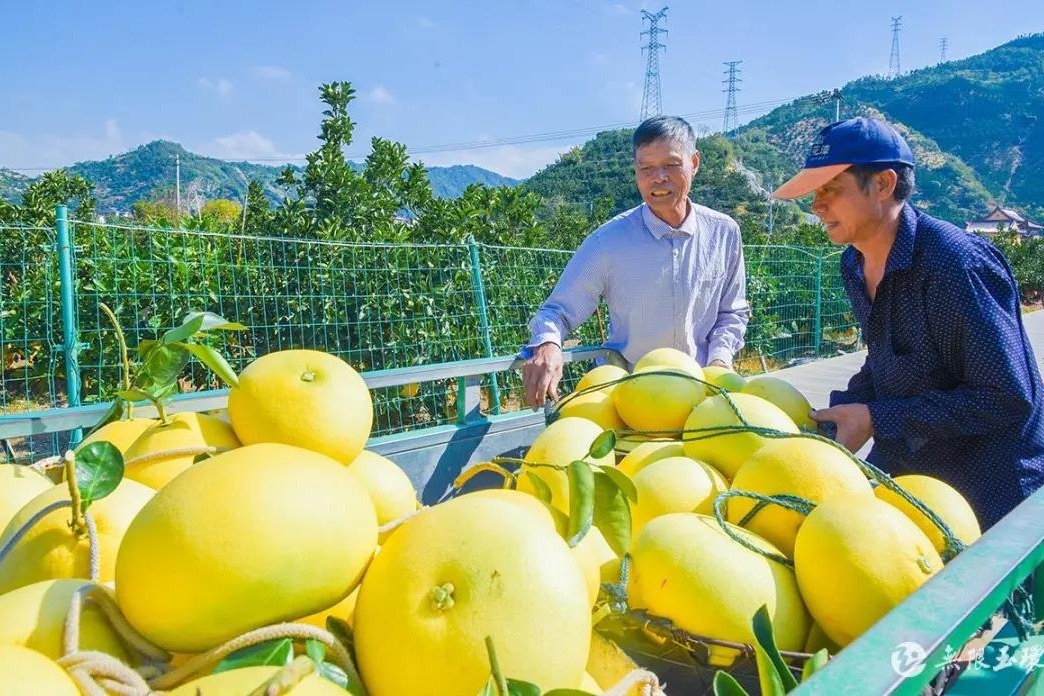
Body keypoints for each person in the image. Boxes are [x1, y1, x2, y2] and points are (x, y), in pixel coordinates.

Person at [773, 116, 1044, 530]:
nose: (816, 205)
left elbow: (1005, 397)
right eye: (815, 192)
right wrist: (843, 410)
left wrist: (877, 419)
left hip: (989, 492)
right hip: (913, 473)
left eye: (831, 189)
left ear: (882, 184)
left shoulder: (955, 265)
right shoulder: (854, 262)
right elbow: (890, 355)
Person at [521, 115, 750, 409]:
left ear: (694, 163)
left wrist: (719, 362)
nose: (659, 178)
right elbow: (557, 311)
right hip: (632, 399)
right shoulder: (608, 242)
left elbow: (732, 312)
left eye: (671, 165)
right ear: (635, 172)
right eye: (646, 168)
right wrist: (547, 344)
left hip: (704, 394)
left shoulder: (724, 232)